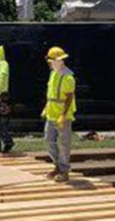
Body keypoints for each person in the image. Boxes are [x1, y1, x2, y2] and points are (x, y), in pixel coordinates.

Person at [41, 46, 76, 182]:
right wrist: (46, 107)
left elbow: (69, 98)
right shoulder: (53, 73)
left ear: (58, 61)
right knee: (48, 140)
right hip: (51, 112)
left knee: (63, 143)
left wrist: (63, 115)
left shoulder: (68, 77)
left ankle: (64, 170)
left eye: (51, 60)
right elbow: (51, 94)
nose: (49, 63)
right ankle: (58, 166)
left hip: (63, 115)